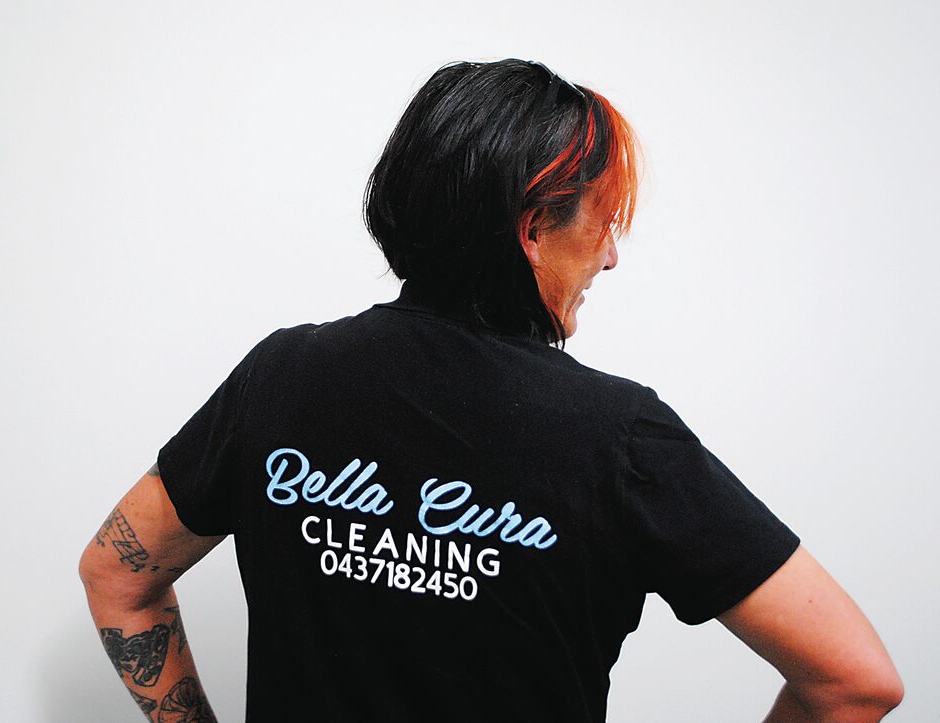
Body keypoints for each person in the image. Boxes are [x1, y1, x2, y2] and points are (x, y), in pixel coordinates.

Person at [78, 58, 904, 722]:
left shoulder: (282, 375)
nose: (611, 256)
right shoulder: (620, 437)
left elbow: (117, 573)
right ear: (535, 227)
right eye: (602, 222)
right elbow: (855, 680)